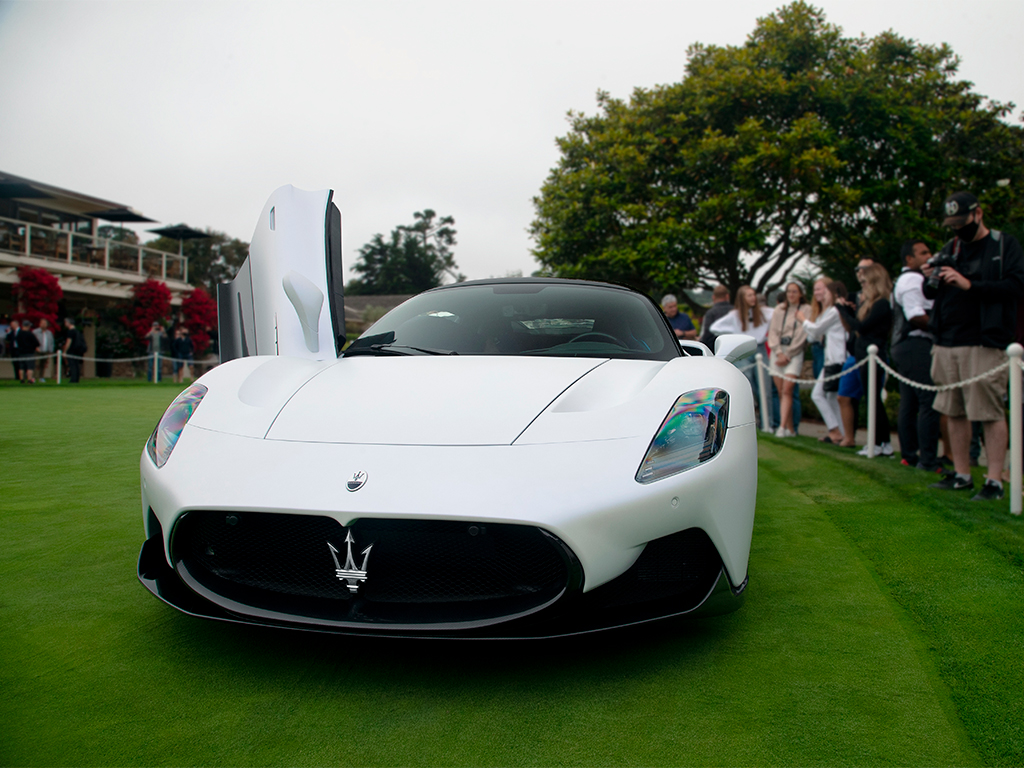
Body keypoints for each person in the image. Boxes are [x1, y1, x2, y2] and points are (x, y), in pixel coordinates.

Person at [923, 191, 1024, 501]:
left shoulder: (1003, 245)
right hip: (947, 339)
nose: (957, 229)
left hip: (984, 340)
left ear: (977, 214)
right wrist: (931, 277)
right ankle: (962, 474)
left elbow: (1015, 286)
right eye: (951, 224)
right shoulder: (951, 246)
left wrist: (970, 284)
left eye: (961, 222)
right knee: (954, 411)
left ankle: (994, 480)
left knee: (989, 411)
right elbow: (929, 294)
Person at [891, 240, 941, 473]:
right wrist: (944, 327)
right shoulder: (912, 279)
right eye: (923, 253)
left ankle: (910, 455)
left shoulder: (910, 279)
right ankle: (927, 459)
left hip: (906, 346)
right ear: (909, 259)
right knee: (927, 402)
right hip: (915, 344)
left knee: (909, 403)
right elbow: (915, 316)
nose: (928, 256)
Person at [837, 263, 893, 456]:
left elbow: (862, 327)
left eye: (865, 282)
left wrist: (842, 311)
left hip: (873, 357)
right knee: (872, 400)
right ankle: (882, 443)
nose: (863, 286)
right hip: (862, 356)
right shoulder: (871, 304)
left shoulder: (882, 304)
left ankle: (880, 443)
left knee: (874, 400)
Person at [798, 279, 847, 445]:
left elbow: (817, 330)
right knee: (832, 397)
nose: (823, 296)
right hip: (832, 358)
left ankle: (836, 430)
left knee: (818, 394)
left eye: (825, 292)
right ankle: (840, 433)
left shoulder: (834, 311)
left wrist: (803, 320)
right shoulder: (834, 310)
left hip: (836, 359)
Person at [709, 285, 773, 410]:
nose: (753, 298)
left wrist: (768, 333)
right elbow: (715, 327)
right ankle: (754, 419)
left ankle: (768, 424)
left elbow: (777, 315)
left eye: (753, 294)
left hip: (760, 349)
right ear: (742, 298)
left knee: (765, 389)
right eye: (749, 295)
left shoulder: (763, 312)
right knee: (748, 386)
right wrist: (734, 334)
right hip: (744, 350)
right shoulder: (735, 315)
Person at [767, 282, 810, 437]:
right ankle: (790, 428)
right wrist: (778, 352)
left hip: (794, 353)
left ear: (800, 293)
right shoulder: (779, 309)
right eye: (789, 292)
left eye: (794, 291)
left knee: (788, 389)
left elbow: (802, 334)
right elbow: (773, 332)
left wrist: (789, 354)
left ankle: (782, 426)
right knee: (780, 391)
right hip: (778, 352)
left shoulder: (806, 310)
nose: (791, 294)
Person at [699, 285, 731, 349]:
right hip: (733, 347)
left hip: (715, 349)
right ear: (727, 296)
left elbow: (706, 335)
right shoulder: (735, 311)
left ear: (713, 297)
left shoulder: (710, 313)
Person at [15, 319, 40, 383]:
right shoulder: (30, 334)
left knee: (21, 367)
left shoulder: (19, 334)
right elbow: (36, 343)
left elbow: (17, 342)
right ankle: (29, 380)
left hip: (21, 352)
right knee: (30, 367)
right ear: (28, 326)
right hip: (29, 353)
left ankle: (22, 379)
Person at [63, 317, 86, 383]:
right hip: (77, 351)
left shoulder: (70, 332)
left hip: (72, 351)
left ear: (68, 323)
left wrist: (65, 351)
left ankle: (73, 380)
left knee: (72, 365)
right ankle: (76, 379)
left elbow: (68, 342)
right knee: (76, 365)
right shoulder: (77, 331)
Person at [33, 318, 55, 383]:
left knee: (43, 365)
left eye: (45, 323)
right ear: (39, 324)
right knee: (36, 364)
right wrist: (35, 348)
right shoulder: (35, 332)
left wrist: (50, 351)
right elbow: (32, 341)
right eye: (42, 323)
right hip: (37, 351)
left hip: (46, 351)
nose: (43, 325)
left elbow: (51, 343)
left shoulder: (49, 333)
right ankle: (34, 377)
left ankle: (41, 377)